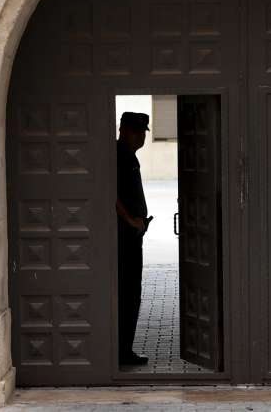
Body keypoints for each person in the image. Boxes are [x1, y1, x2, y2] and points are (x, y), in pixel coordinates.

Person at [116, 111, 153, 366]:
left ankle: (124, 349)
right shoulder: (118, 156)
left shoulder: (129, 156)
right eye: (136, 131)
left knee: (131, 293)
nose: (141, 137)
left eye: (143, 133)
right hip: (123, 237)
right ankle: (121, 351)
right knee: (127, 294)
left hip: (132, 236)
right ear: (123, 130)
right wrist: (130, 219)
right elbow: (110, 192)